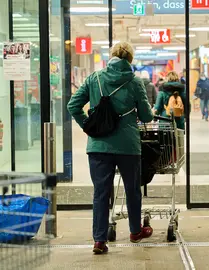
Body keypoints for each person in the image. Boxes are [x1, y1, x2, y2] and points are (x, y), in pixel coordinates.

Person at [67, 41, 153, 255]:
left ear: (111, 56)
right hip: (128, 146)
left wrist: (88, 125)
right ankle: (135, 231)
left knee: (101, 193)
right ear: (130, 59)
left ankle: (99, 240)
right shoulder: (134, 82)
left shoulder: (95, 78)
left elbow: (73, 106)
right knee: (132, 190)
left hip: (98, 146)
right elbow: (146, 116)